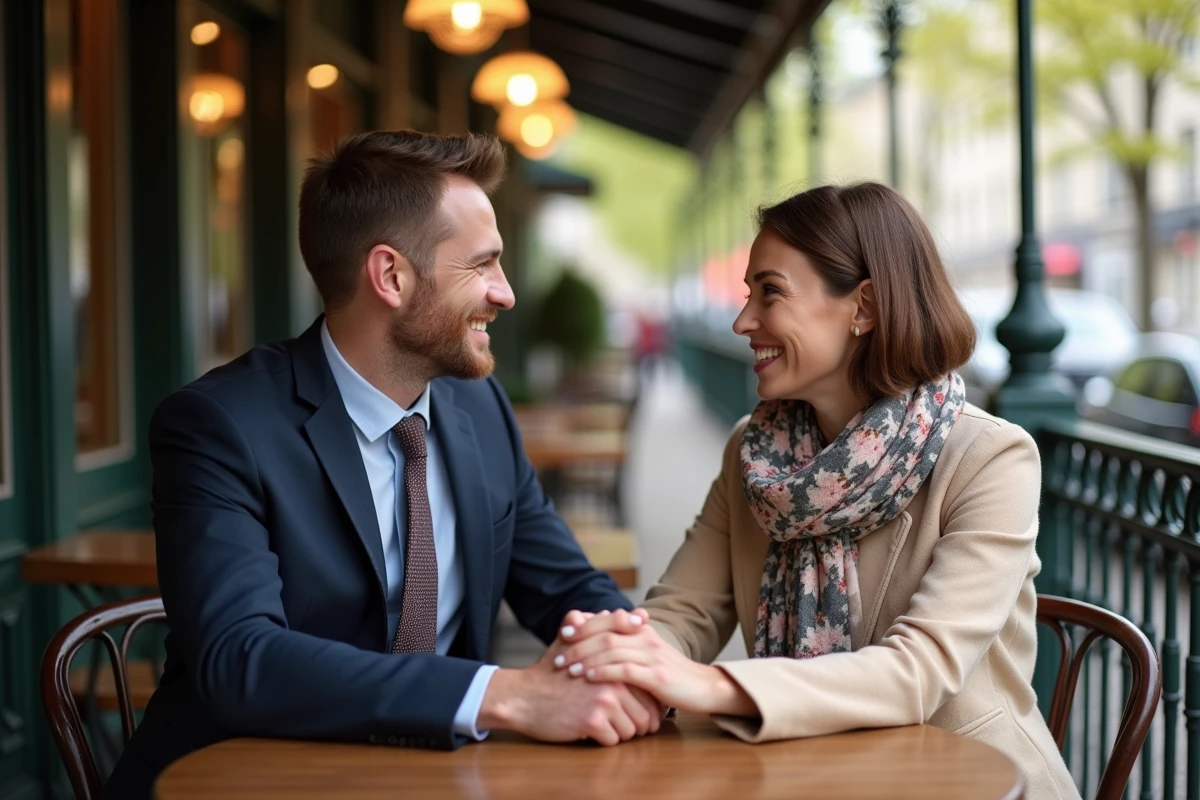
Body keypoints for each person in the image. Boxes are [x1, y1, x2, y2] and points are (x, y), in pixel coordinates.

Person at [102, 131, 661, 799]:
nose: (505, 293)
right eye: (481, 265)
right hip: (240, 779)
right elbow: (239, 659)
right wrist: (504, 696)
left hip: (434, 778)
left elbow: (565, 587)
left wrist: (631, 657)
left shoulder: (481, 409)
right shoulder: (221, 425)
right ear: (391, 275)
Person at [552, 183, 1081, 800]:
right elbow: (683, 613)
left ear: (865, 307)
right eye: (748, 293)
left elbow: (920, 671)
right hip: (800, 775)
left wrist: (711, 686)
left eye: (770, 292)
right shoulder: (751, 454)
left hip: (969, 781)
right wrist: (629, 665)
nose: (743, 320)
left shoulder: (990, 457)